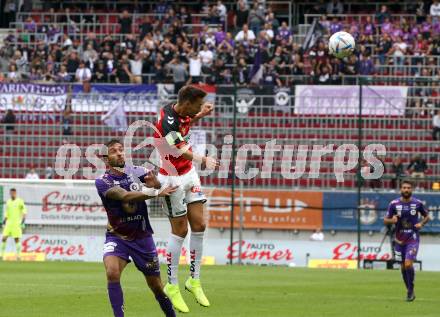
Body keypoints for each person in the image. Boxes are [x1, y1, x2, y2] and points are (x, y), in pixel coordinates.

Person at [95, 139, 177, 317]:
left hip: (142, 237)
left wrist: (154, 183)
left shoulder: (138, 171)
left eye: (121, 150)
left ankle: (171, 315)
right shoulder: (102, 182)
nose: (119, 153)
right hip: (117, 236)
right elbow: (125, 196)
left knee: (156, 286)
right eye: (114, 151)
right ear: (105, 158)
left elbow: (158, 184)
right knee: (112, 272)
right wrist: (154, 191)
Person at [154, 85, 218, 313]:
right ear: (187, 102)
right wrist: (203, 159)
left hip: (189, 174)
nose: (199, 108)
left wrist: (201, 115)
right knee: (180, 231)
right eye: (198, 105)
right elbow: (179, 147)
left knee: (200, 224)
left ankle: (194, 280)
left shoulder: (184, 113)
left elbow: (186, 125)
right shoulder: (167, 120)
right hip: (172, 179)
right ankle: (171, 285)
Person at [384, 181, 431, 301]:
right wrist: (392, 220)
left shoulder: (417, 203)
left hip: (412, 239)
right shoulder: (394, 204)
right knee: (403, 268)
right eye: (404, 188)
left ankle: (410, 290)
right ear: (401, 189)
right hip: (399, 241)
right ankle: (409, 290)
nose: (406, 190)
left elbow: (427, 216)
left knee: (408, 263)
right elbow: (385, 220)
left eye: (408, 188)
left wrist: (421, 223)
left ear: (412, 190)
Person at [0, 188, 26, 260]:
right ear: (10, 193)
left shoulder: (20, 201)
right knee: (4, 238)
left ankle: (18, 256)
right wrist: (4, 220)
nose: (12, 194)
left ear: (15, 193)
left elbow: (24, 211)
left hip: (16, 224)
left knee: (16, 239)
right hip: (9, 223)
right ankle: (1, 255)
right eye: (11, 193)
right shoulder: (8, 202)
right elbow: (7, 212)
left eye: (13, 193)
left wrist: (23, 221)